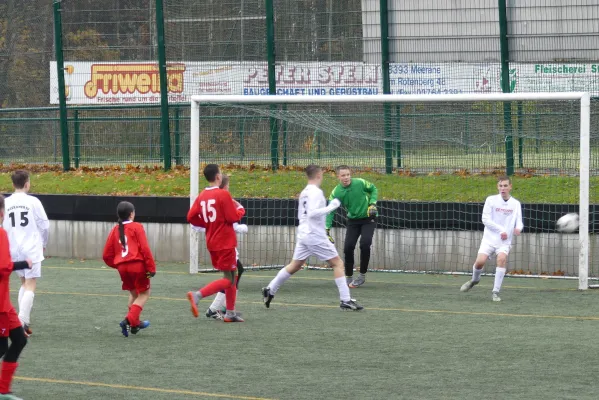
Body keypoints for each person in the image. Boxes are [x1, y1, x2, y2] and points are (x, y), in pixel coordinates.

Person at [262, 165, 363, 311]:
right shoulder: (316, 192)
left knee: (295, 265)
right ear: (318, 175)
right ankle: (345, 300)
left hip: (304, 234)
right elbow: (312, 213)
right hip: (314, 235)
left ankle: (270, 289)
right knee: (338, 264)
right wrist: (332, 206)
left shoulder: (304, 192)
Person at [187, 165, 244, 323]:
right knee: (229, 279)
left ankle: (230, 313)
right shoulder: (222, 194)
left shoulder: (202, 195)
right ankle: (198, 295)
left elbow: (191, 217)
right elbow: (232, 217)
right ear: (218, 177)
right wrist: (241, 210)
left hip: (212, 241)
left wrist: (208, 224)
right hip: (225, 242)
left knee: (233, 274)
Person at [460, 175, 524, 302]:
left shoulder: (516, 204)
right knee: (480, 262)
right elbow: (485, 219)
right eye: (500, 186)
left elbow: (519, 221)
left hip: (504, 242)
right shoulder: (491, 200)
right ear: (497, 187)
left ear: (510, 187)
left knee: (502, 259)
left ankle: (495, 292)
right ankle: (474, 280)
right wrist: (501, 230)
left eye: (505, 186)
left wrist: (518, 228)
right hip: (489, 240)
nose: (503, 188)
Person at [2, 170, 49, 337]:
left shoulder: (6, 202)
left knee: (23, 283)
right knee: (30, 283)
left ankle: (20, 321)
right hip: (31, 248)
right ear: (27, 184)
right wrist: (43, 243)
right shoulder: (33, 202)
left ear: (13, 184)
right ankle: (21, 322)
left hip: (13, 248)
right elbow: (45, 225)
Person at [102, 201, 156, 337]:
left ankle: (135, 324)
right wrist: (151, 267)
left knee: (134, 294)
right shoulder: (137, 227)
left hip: (122, 268)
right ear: (131, 214)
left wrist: (118, 264)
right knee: (144, 294)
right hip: (137, 266)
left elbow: (106, 255)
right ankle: (129, 320)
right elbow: (145, 248)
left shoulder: (115, 229)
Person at [0, 194, 32, 400]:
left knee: (19, 339)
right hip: (0, 304)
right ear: (2, 213)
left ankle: (3, 390)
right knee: (2, 346)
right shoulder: (1, 233)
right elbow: (3, 267)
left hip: (5, 303)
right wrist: (22, 264)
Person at [325, 165, 378, 288]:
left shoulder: (360, 182)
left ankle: (362, 276)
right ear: (338, 176)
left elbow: (373, 189)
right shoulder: (336, 192)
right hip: (353, 221)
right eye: (343, 175)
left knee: (365, 244)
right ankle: (348, 276)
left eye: (348, 174)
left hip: (369, 218)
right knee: (348, 247)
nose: (346, 177)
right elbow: (330, 211)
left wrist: (372, 204)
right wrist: (326, 229)